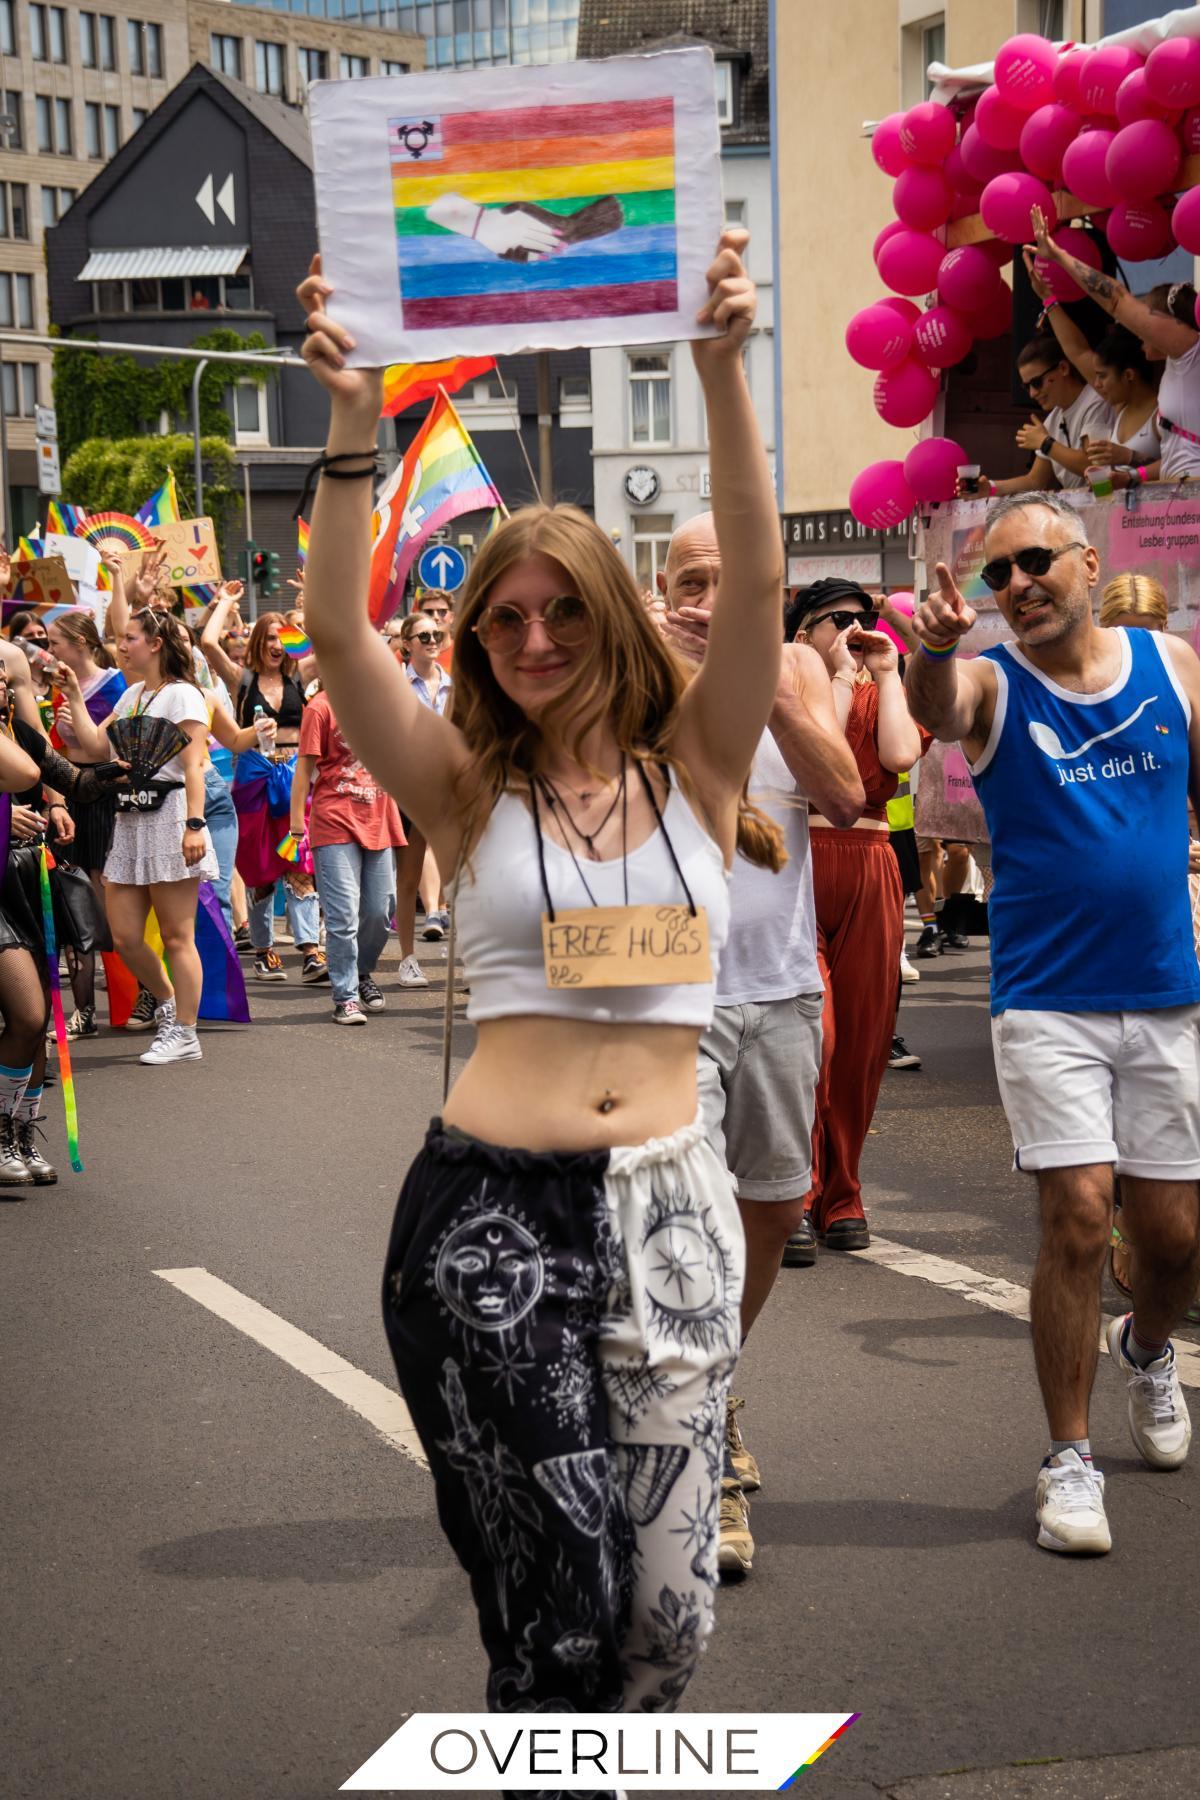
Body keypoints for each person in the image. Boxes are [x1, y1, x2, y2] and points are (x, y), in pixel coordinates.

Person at [298, 227, 782, 1723]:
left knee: (668, 1619)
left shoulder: (699, 767)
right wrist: (351, 424)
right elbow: (335, 632)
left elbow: (758, 574)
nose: (533, 637)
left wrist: (720, 369)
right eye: (503, 616)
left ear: (611, 615)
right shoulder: (463, 788)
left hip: (674, 1204)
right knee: (556, 1617)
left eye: (564, 608)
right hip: (492, 1218)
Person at [907, 490, 1200, 1556]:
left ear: (1087, 562)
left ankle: (1149, 1347)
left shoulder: (1171, 665)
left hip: (1166, 991)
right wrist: (933, 649)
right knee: (1077, 1216)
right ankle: (1068, 1459)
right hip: (1047, 999)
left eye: (1034, 562)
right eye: (998, 574)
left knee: (1174, 1240)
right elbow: (940, 706)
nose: (1017, 585)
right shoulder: (993, 682)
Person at [658, 512, 864, 1580]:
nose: (705, 601)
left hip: (780, 988)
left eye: (727, 584)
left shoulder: (798, 667)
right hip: (668, 995)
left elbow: (845, 795)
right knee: (688, 1222)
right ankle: (704, 1448)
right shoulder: (632, 667)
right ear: (662, 590)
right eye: (689, 582)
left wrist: (769, 683)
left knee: (776, 1210)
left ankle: (712, 1374)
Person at [784, 579, 925, 1253]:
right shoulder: (784, 690)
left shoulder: (880, 687)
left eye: (862, 617)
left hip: (870, 860)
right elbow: (822, 764)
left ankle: (843, 1192)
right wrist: (836, 678)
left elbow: (899, 756)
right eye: (836, 619)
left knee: (865, 1042)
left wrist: (887, 672)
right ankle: (798, 1190)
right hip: (798, 861)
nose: (853, 628)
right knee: (814, 1035)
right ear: (802, 632)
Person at [58, 605, 220, 1067]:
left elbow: (194, 766)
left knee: (176, 935)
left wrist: (194, 824)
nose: (121, 645)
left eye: (130, 637)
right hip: (129, 819)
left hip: (171, 815)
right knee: (124, 935)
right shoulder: (132, 695)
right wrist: (74, 696)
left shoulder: (184, 695)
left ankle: (186, 1031)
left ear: (156, 644)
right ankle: (168, 1005)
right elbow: (95, 747)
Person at [1029, 206, 1200, 484]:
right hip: (1176, 499)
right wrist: (1131, 477)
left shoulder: (1189, 350)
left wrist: (1058, 255)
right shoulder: (1177, 367)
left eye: (1147, 317)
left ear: (1170, 324)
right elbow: (1175, 456)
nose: (1139, 330)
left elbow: (1116, 299)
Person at [291, 676, 406, 1025]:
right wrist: (296, 823)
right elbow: (304, 769)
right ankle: (346, 997)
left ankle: (361, 971)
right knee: (342, 916)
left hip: (379, 816)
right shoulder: (320, 707)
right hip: (335, 819)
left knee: (380, 910)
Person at [231, 612, 327, 985]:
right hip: (254, 777)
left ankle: (310, 951)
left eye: (281, 638)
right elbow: (207, 642)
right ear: (258, 641)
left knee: (299, 859)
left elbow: (323, 647)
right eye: (270, 638)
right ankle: (263, 950)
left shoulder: (298, 674)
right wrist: (225, 603)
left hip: (294, 776)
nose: (276, 645)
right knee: (261, 869)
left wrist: (297, 619)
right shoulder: (243, 678)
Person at [44, 610, 127, 1039]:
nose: (49, 650)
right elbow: (49, 754)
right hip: (67, 797)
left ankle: (141, 993)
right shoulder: (56, 688)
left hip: (103, 797)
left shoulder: (116, 685)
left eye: (54, 642)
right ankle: (84, 1010)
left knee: (106, 902)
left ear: (80, 642)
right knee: (72, 902)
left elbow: (107, 749)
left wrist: (78, 730)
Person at [1022, 257, 1162, 476]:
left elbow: (1178, 467)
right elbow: (1077, 351)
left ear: (1128, 375)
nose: (1096, 384)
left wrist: (1129, 458)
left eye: (1103, 376)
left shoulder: (1162, 413)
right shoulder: (1120, 407)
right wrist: (1048, 299)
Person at [958, 335, 1114, 497]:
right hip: (1088, 506)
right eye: (1027, 386)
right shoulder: (1053, 419)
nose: (1032, 393)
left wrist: (1046, 444)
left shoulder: (1096, 402)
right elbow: (1035, 481)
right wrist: (989, 488)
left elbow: (1094, 469)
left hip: (1108, 502)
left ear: (1063, 368)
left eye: (1037, 382)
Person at [395, 610, 451, 961]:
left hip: (450, 787)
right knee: (408, 876)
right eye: (424, 637)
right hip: (411, 789)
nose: (432, 642)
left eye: (437, 636)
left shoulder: (454, 685)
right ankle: (407, 958)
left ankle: (473, 964)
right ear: (407, 644)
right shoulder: (396, 686)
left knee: (462, 877)